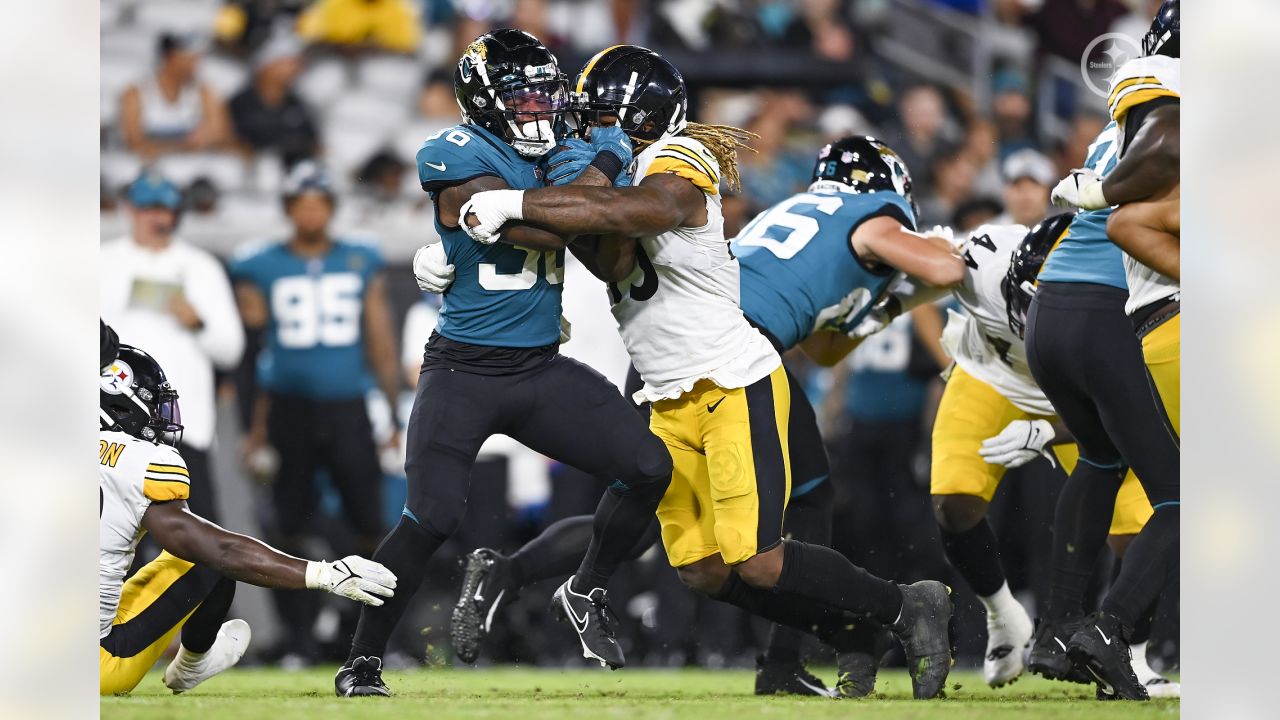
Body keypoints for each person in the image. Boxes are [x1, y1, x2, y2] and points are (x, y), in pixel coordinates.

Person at [460, 45, 960, 699]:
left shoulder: (683, 155)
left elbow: (643, 211)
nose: (592, 125)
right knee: (698, 568)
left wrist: (529, 199)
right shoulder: (607, 173)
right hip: (668, 390)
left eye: (605, 114)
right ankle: (843, 633)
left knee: (758, 558)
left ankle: (901, 605)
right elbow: (605, 254)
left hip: (731, 375)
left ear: (642, 114)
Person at [333, 30, 673, 698]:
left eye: (546, 94)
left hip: (541, 369)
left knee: (647, 468)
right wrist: (600, 173)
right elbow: (548, 229)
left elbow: (610, 240)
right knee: (429, 518)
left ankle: (585, 590)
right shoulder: (455, 152)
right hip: (463, 371)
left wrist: (593, 184)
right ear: (483, 102)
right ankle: (363, 659)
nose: (538, 109)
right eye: (522, 97)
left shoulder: (564, 152)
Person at [100, 343, 396, 696]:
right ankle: (193, 664)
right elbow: (215, 550)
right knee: (205, 557)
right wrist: (326, 574)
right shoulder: (138, 461)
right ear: (121, 403)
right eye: (153, 403)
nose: (159, 416)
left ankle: (193, 662)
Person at [1045, 1, 1180, 699]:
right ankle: (1112, 630)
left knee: (1140, 480)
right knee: (1190, 498)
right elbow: (1135, 210)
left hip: (1109, 312)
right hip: (1159, 313)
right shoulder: (1166, 90)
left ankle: (1084, 639)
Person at [230, 162, 402, 665]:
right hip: (288, 408)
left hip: (348, 405)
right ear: (287, 209)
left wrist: (389, 414)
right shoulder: (259, 264)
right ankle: (298, 640)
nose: (310, 212)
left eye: (319, 202)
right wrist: (256, 428)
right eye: (301, 203)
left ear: (331, 208)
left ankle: (366, 639)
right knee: (287, 522)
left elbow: (380, 339)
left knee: (370, 522)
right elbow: (253, 352)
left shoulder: (359, 258)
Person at [100, 172, 245, 524]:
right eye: (148, 208)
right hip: (112, 428)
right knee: (113, 542)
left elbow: (231, 349)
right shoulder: (101, 261)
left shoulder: (201, 267)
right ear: (129, 210)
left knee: (199, 547)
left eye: (166, 209)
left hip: (184, 425)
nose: (158, 218)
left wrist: (197, 322)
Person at [119, 33, 230, 159]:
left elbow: (221, 135)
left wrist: (209, 138)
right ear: (171, 57)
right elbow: (134, 144)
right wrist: (183, 146)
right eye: (190, 58)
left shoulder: (205, 92)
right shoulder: (136, 93)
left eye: (196, 58)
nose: (195, 63)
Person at [228, 34, 320, 167]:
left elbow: (313, 143)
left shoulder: (296, 103)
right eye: (288, 62)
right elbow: (233, 143)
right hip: (255, 175)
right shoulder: (240, 104)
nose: (297, 68)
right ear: (267, 66)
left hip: (295, 169)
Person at [999, 149, 1054, 227]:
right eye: (1018, 187)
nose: (1026, 196)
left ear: (1048, 191)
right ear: (1005, 192)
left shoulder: (1067, 231)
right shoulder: (988, 234)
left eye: (1033, 187)